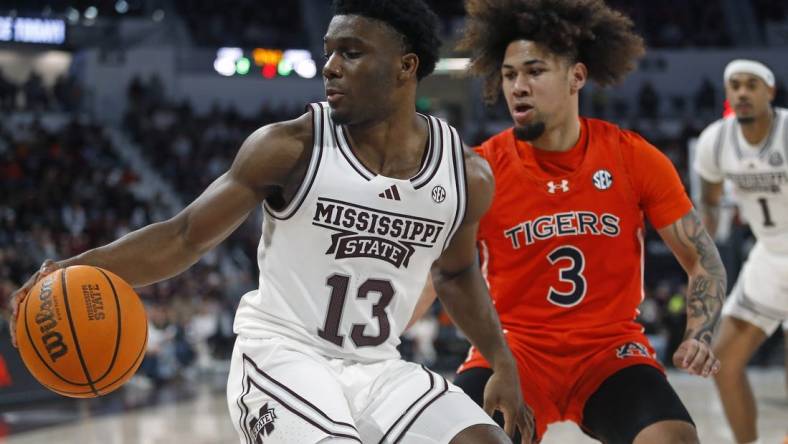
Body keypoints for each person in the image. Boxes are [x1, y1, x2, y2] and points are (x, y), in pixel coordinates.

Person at [6, 1, 533, 443]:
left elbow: (458, 274)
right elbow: (184, 235)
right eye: (328, 52)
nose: (329, 66)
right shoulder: (289, 147)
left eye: (351, 53)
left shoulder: (464, 175)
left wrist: (501, 362)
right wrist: (74, 265)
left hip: (377, 365)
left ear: (406, 66)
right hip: (281, 357)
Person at [432, 1, 726, 442]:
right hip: (515, 351)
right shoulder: (482, 169)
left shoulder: (633, 157)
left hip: (609, 353)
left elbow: (704, 261)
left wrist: (699, 334)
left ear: (577, 77)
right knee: (458, 438)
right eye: (509, 75)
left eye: (534, 71)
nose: (518, 87)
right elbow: (439, 271)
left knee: (674, 439)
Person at [694, 59, 788, 444]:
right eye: (735, 85)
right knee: (724, 359)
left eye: (752, 85)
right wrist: (701, 256)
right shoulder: (715, 140)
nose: (743, 93)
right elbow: (710, 204)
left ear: (770, 91)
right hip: (769, 253)